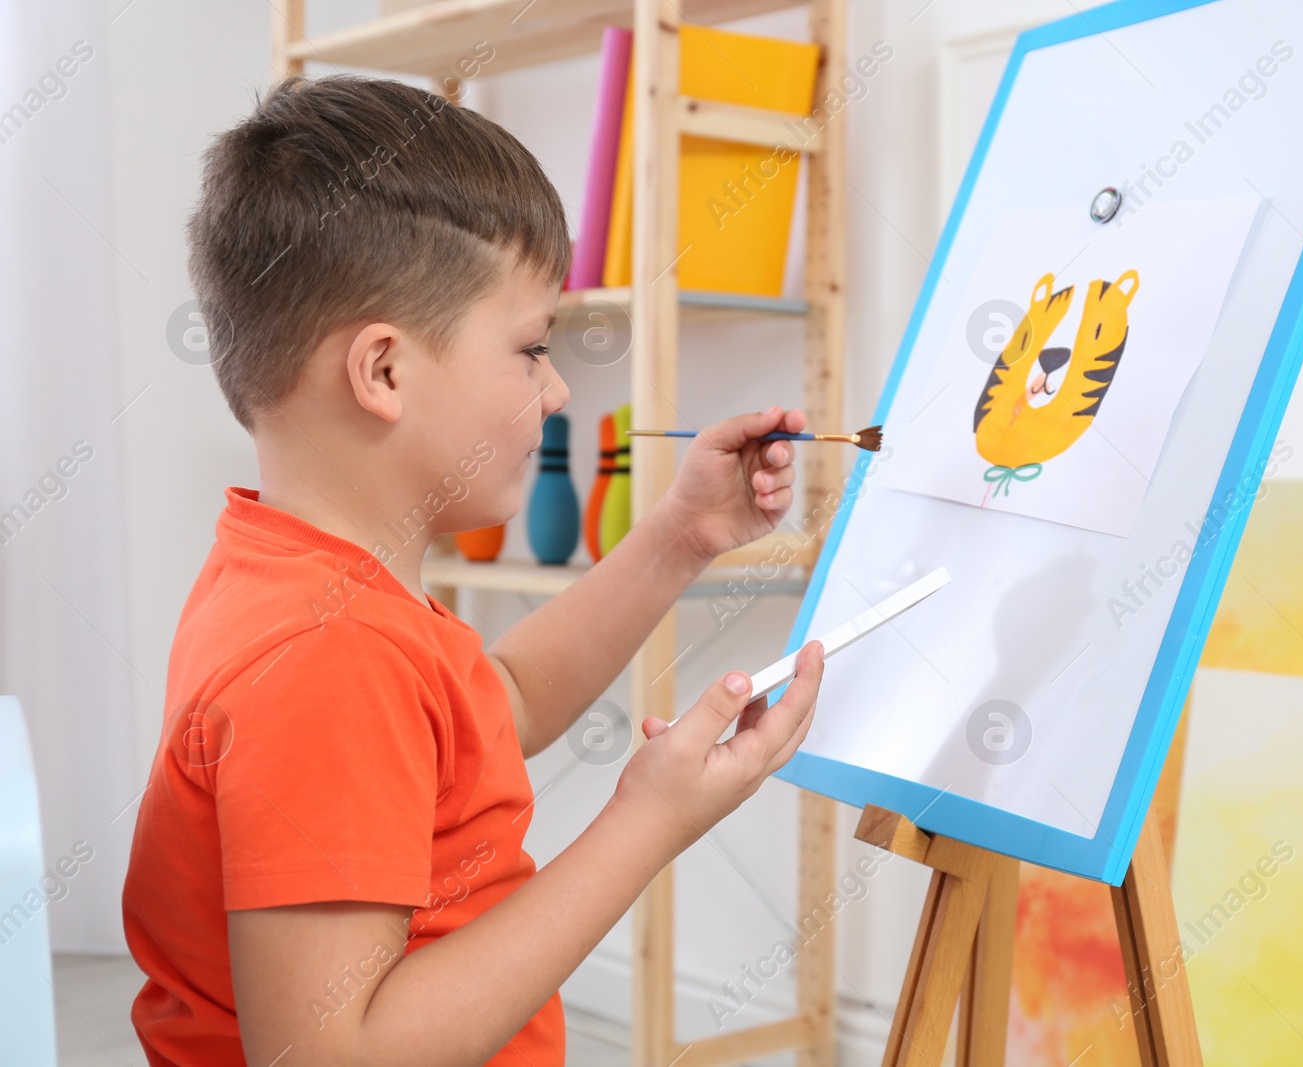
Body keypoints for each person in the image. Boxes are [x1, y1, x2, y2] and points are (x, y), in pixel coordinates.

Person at [121, 73, 823, 1067]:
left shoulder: (298, 574)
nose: (555, 384)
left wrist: (678, 534)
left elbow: (502, 700)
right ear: (385, 371)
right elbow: (333, 1051)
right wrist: (647, 820)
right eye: (531, 347)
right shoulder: (327, 653)